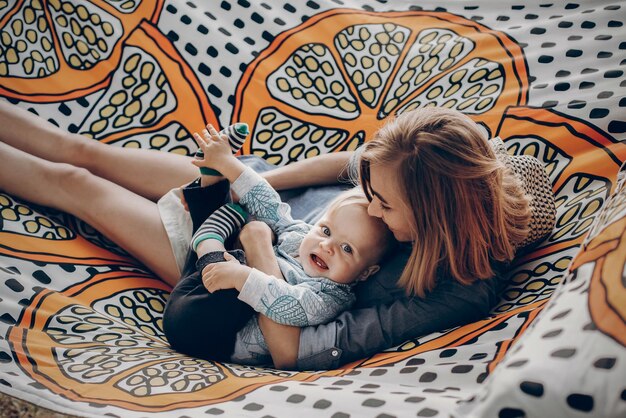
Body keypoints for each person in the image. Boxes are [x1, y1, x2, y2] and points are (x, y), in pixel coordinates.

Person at [0, 101, 556, 370]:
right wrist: (250, 179)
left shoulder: (451, 289)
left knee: (76, 184)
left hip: (238, 277)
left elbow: (296, 348)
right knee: (84, 153)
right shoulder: (440, 161)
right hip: (266, 205)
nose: (373, 209)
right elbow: (348, 164)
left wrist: (259, 249)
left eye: (384, 206)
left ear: (435, 220)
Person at [164, 124, 395, 364]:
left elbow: (286, 303)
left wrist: (240, 277)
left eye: (347, 249)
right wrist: (232, 167)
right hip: (206, 277)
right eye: (326, 230)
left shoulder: (331, 296)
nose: (327, 246)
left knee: (232, 256)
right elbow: (270, 206)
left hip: (215, 335)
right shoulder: (301, 236)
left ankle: (210, 227)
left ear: (366, 272)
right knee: (231, 228)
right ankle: (213, 174)